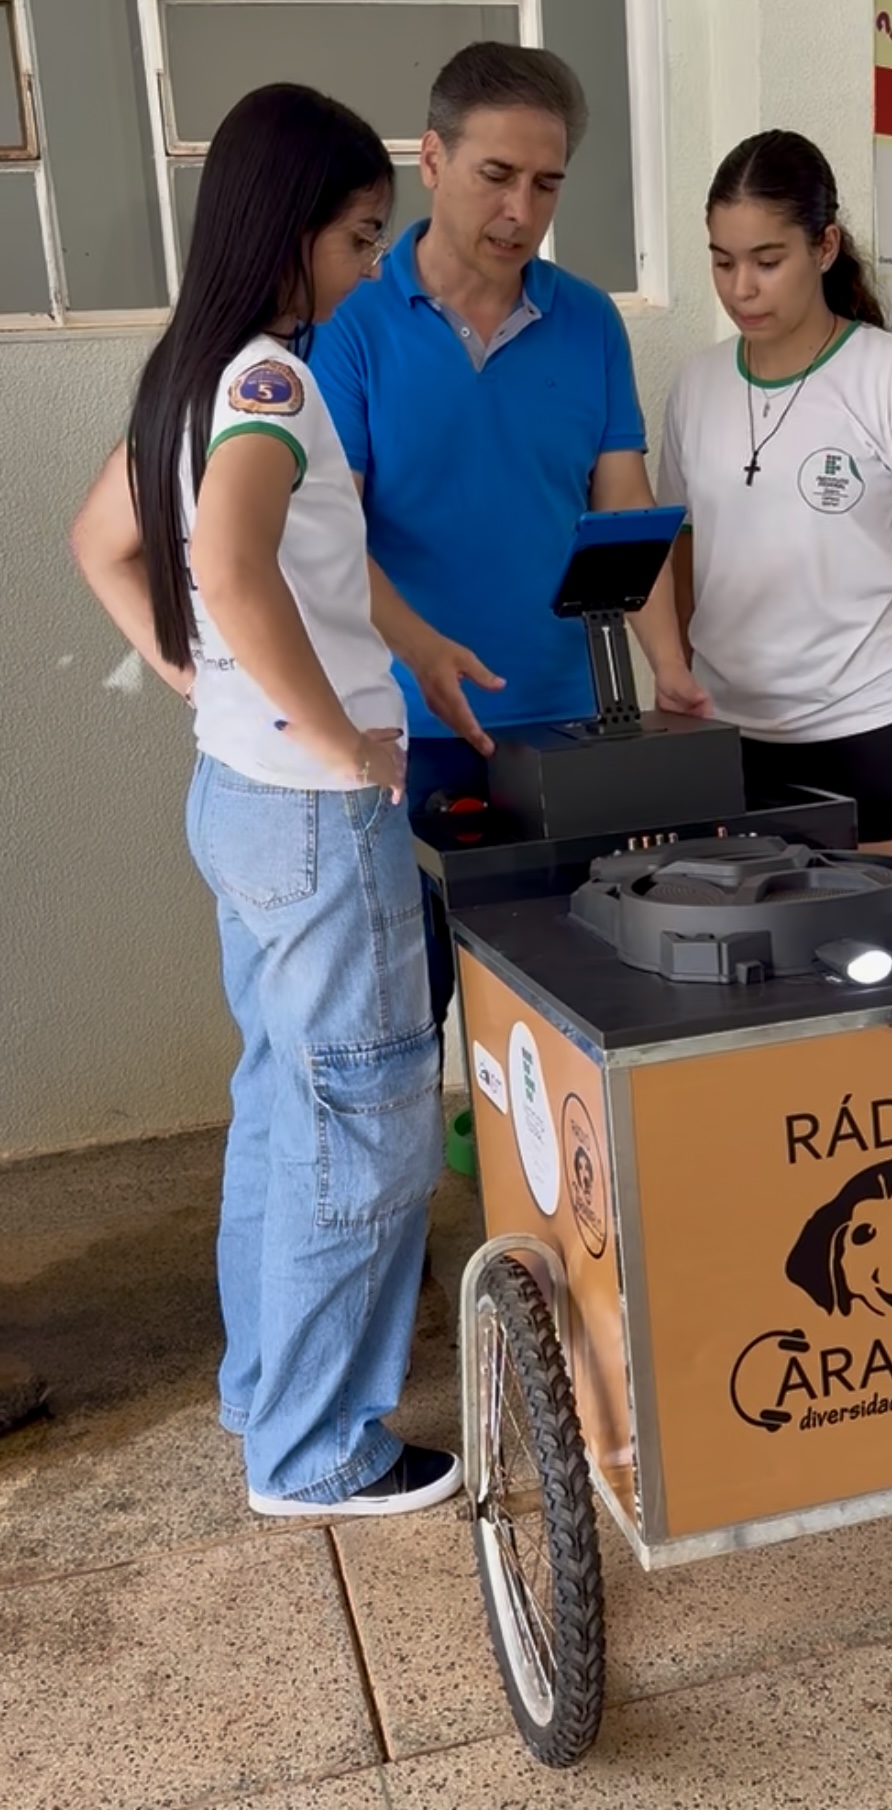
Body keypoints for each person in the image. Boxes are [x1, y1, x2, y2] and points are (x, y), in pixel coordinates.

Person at [70, 85, 460, 1519]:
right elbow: (232, 566)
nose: (372, 264)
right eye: (360, 236)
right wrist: (343, 738)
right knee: (363, 1117)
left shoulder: (190, 376)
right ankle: (315, 1449)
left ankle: (263, 1393)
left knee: (283, 1103)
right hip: (308, 811)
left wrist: (207, 678)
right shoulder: (272, 384)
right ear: (291, 230)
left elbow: (104, 542)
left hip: (238, 795)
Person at [309, 42, 705, 1043]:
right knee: (408, 1009)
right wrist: (419, 655)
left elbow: (624, 509)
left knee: (570, 1003)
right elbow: (330, 538)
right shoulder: (353, 323)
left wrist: (670, 668)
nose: (521, 211)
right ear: (432, 159)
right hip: (407, 732)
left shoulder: (589, 322)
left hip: (567, 732)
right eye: (496, 175)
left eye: (546, 184)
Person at [659, 130, 892, 860]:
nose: (741, 288)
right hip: (726, 737)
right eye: (723, 261)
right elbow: (683, 550)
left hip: (869, 739)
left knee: (865, 935)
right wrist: (688, 679)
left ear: (824, 247)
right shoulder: (697, 385)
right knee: (726, 930)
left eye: (767, 261)